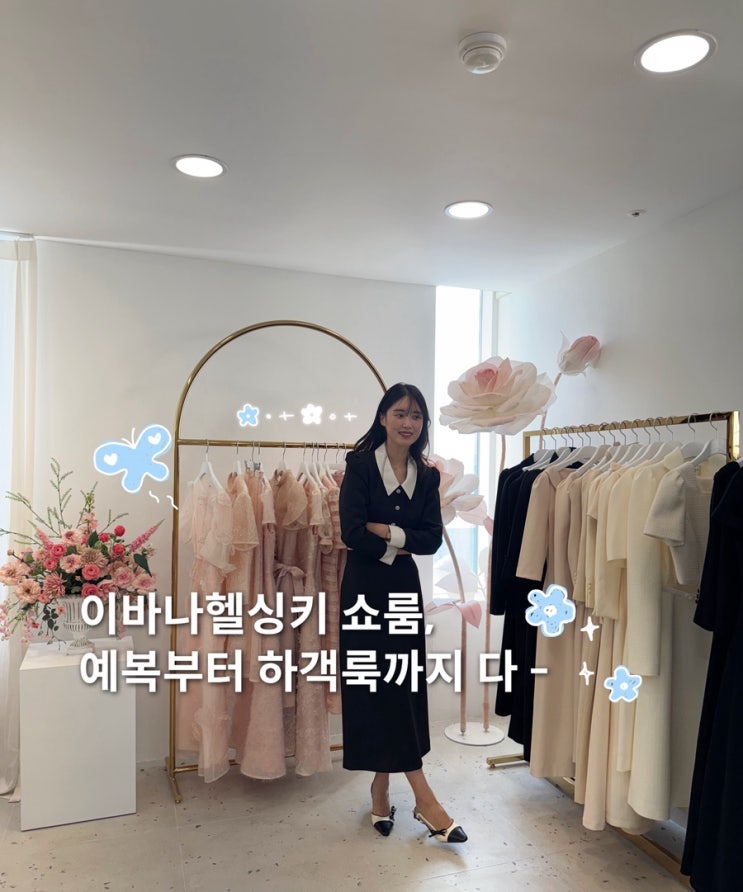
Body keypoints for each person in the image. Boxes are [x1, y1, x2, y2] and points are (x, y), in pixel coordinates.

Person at [338, 382, 467, 843]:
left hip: (402, 591)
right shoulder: (359, 466)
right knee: (373, 684)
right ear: (382, 417)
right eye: (399, 413)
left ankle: (383, 788)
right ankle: (424, 800)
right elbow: (352, 532)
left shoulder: (427, 477)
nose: (407, 422)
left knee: (401, 684)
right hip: (363, 591)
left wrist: (387, 533)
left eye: (415, 415)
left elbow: (431, 540)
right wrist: (401, 541)